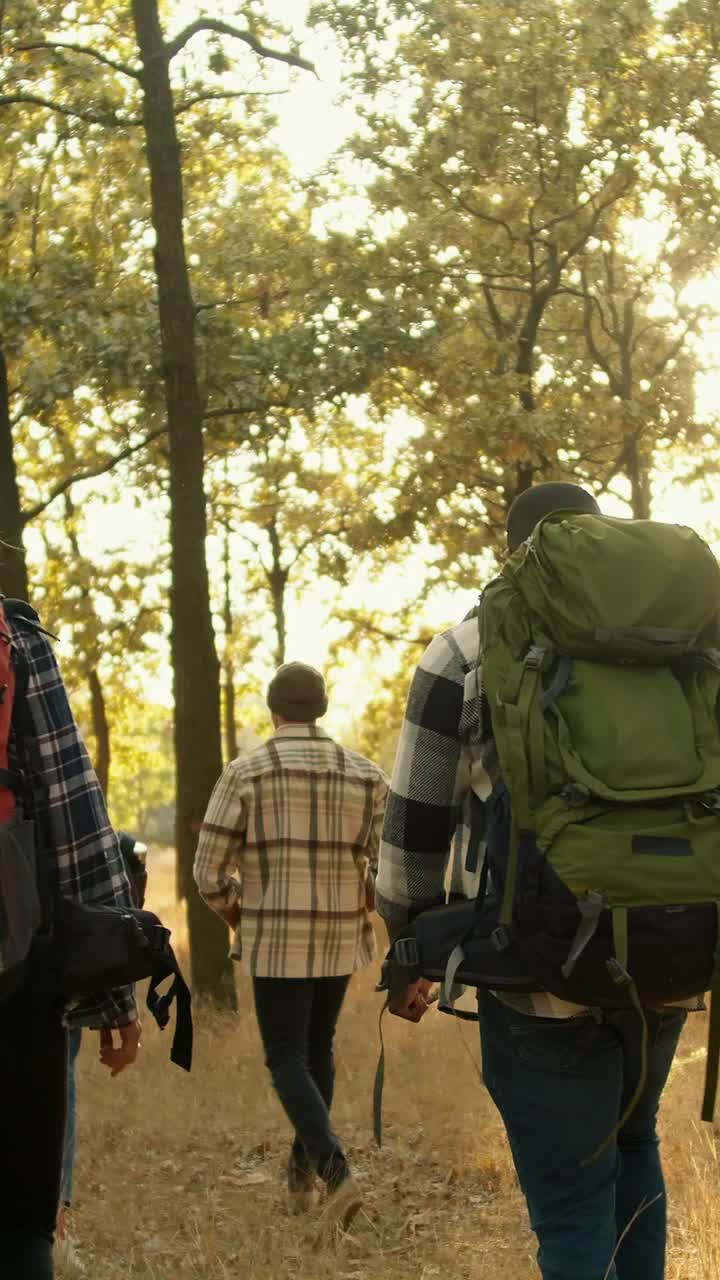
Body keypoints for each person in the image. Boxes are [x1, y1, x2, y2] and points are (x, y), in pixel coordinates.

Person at [377, 482, 698, 1280]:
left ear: (512, 548)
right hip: (669, 949)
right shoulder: (687, 639)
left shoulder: (466, 648)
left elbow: (415, 820)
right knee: (634, 1146)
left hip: (535, 970)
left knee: (570, 1203)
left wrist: (411, 941)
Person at [194, 661, 387, 1237]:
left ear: (273, 709)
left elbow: (208, 871)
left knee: (285, 1056)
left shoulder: (246, 771)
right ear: (321, 709)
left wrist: (237, 912)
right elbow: (389, 867)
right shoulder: (366, 774)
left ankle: (336, 1171)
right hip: (337, 933)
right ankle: (301, 1175)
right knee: (316, 1048)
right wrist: (361, 902)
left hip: (276, 934)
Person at [0, 598, 141, 1280]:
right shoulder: (15, 645)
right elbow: (74, 826)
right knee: (21, 1219)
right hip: (13, 971)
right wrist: (114, 998)